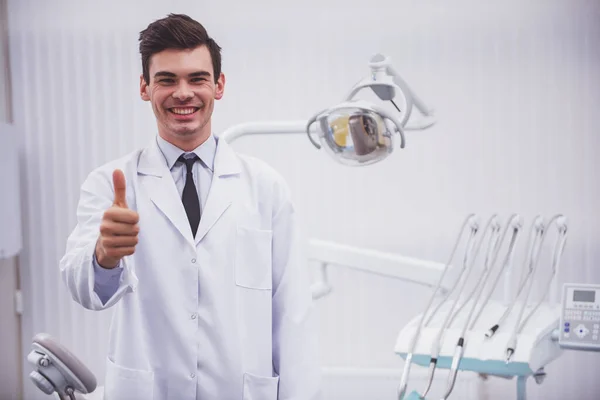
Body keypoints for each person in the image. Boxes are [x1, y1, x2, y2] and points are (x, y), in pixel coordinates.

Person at [60, 13, 321, 400]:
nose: (183, 93)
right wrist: (104, 256)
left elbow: (292, 316)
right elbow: (84, 291)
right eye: (167, 79)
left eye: (197, 78)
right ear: (145, 88)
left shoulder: (266, 188)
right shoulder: (110, 183)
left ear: (219, 86)